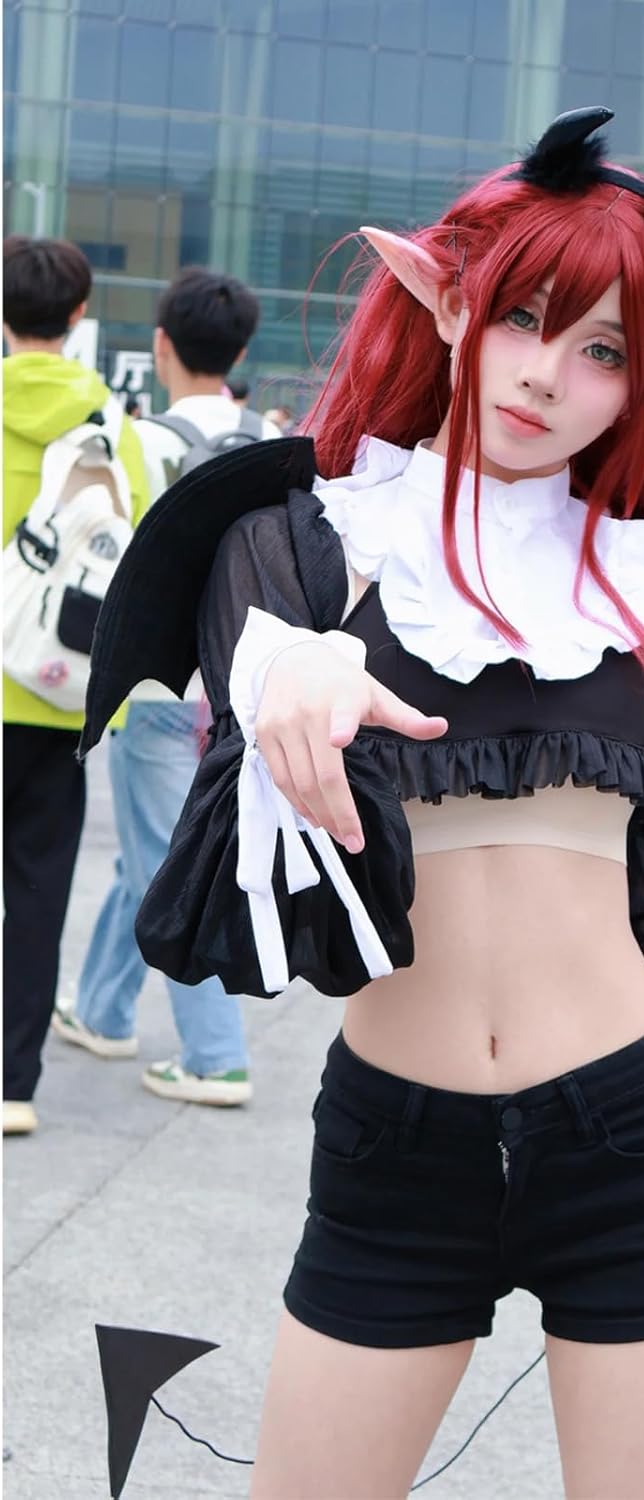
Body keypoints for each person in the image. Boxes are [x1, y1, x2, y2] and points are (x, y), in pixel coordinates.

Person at [81, 110, 644, 1497]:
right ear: (450, 306)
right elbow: (237, 773)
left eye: (605, 351)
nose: (548, 374)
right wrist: (285, 685)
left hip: (631, 1130)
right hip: (399, 1142)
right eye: (526, 318)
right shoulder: (298, 543)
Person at [51, 269, 279, 1107]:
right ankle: (104, 1011)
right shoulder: (268, 438)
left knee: (165, 864)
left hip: (157, 690)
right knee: (149, 852)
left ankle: (216, 1053)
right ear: (241, 352)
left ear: (160, 345)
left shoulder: (138, 440)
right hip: (241, 685)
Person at [2, 236, 148, 1135]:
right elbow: (140, 563)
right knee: (39, 887)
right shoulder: (113, 427)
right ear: (80, 315)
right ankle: (12, 1083)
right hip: (60, 692)